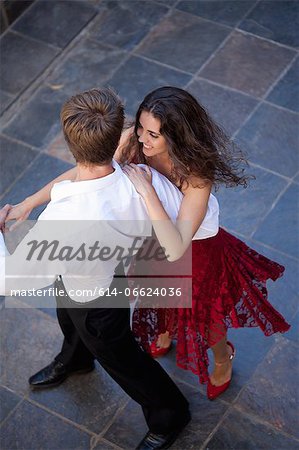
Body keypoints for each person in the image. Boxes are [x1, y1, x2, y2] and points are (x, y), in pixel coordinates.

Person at [6, 86, 290, 402]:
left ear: (177, 136)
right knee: (157, 298)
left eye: (153, 134)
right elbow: (87, 170)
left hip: (196, 251)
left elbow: (179, 243)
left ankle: (223, 357)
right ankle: (165, 333)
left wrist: (147, 191)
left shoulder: (198, 173)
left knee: (205, 319)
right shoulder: (135, 140)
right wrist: (30, 202)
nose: (142, 139)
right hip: (153, 242)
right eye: (140, 128)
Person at [0, 88, 192, 450]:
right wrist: (28, 203)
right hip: (97, 272)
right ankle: (75, 359)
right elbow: (78, 176)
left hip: (98, 301)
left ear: (70, 143)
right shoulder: (131, 174)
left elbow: (8, 280)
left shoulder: (66, 220)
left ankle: (171, 413)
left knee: (124, 360)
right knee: (70, 320)